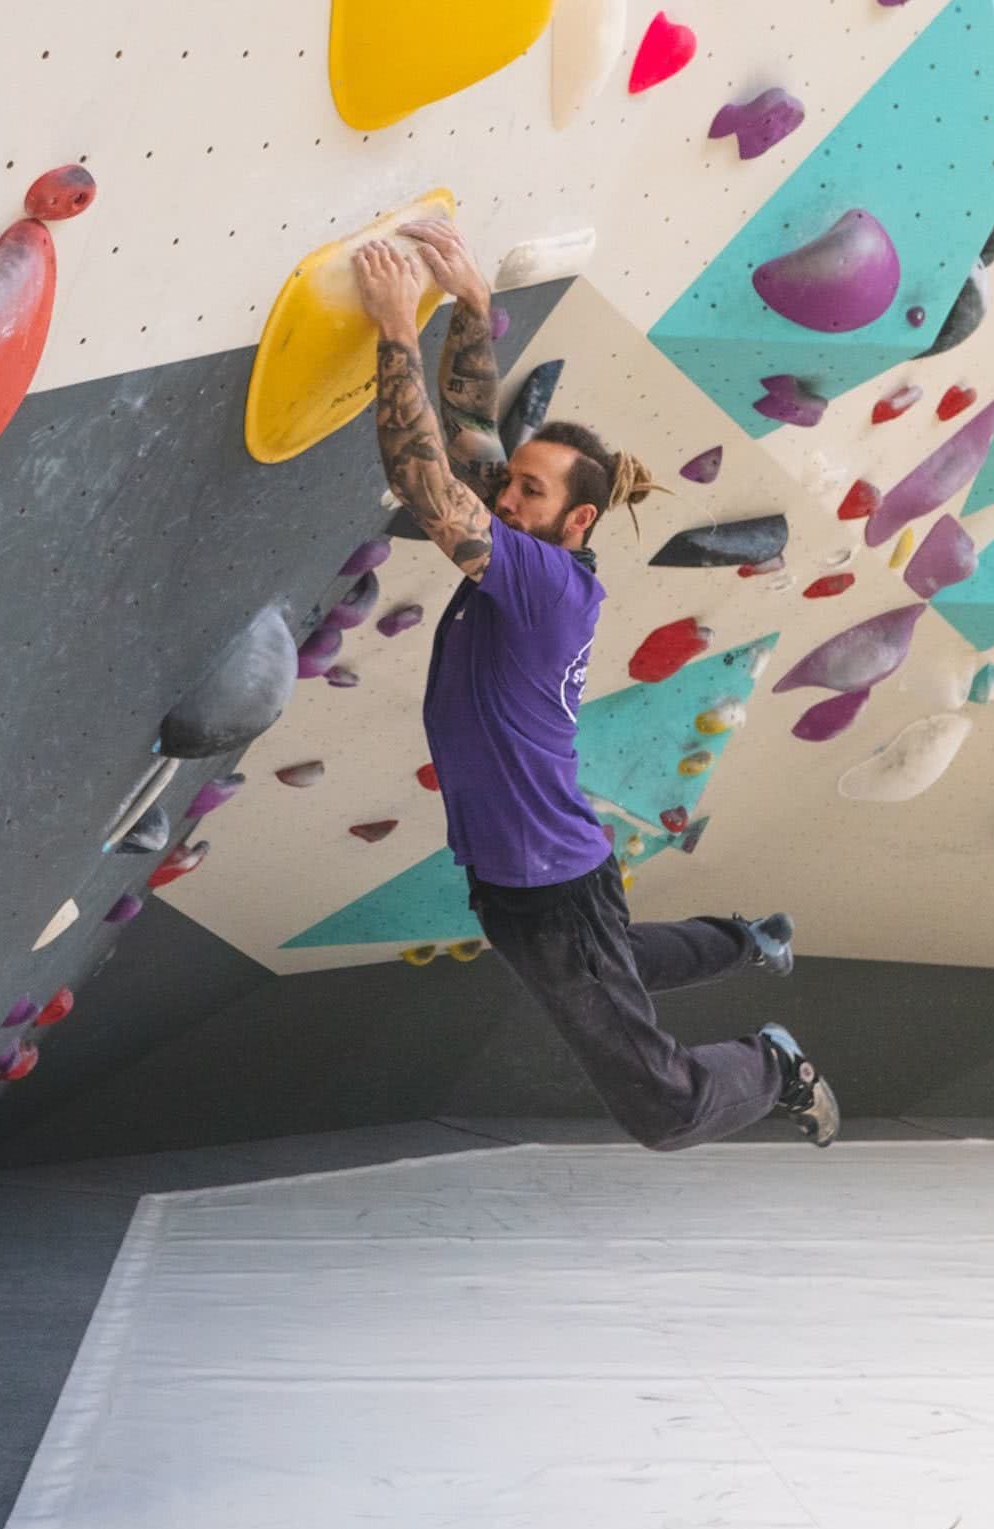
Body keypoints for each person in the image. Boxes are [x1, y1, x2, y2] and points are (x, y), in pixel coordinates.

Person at [350, 220, 839, 1150]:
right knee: (605, 961)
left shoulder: (544, 585)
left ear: (576, 519)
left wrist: (395, 332)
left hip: (543, 884)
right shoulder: (534, 552)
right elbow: (468, 440)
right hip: (537, 875)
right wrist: (474, 310)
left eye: (527, 493)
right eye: (512, 488)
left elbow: (427, 486)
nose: (504, 498)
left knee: (665, 1109)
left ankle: (774, 1067)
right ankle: (747, 938)